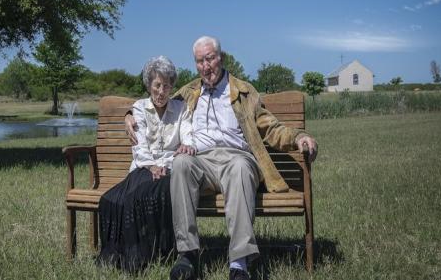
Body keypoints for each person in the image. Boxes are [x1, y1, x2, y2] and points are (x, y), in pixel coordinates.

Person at [125, 36, 318, 280]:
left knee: (238, 166)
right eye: (199, 61)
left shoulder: (244, 92)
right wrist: (129, 113)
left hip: (236, 158)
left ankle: (239, 263)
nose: (206, 66)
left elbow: (271, 127)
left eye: (210, 59)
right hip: (201, 160)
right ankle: (187, 255)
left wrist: (298, 136)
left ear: (221, 58)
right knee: (181, 163)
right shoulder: (189, 92)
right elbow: (158, 102)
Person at [98, 55, 195, 272]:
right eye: (157, 85)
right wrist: (151, 166)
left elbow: (188, 136)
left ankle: (151, 254)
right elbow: (139, 145)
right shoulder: (139, 108)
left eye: (167, 86)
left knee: (152, 191)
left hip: (170, 168)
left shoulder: (181, 109)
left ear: (172, 87)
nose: (161, 92)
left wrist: (184, 148)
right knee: (112, 200)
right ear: (149, 85)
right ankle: (129, 255)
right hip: (143, 167)